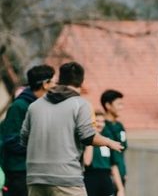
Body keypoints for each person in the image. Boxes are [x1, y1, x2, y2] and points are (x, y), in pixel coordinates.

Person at [20, 61, 123, 196]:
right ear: (81, 81)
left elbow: (24, 138)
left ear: (59, 79)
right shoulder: (80, 105)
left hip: (35, 178)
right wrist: (109, 142)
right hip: (66, 179)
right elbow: (88, 136)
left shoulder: (35, 105)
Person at [0, 64, 56, 196]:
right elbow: (10, 140)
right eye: (53, 81)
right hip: (19, 171)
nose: (55, 85)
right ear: (45, 84)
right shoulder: (19, 106)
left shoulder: (43, 106)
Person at [83, 110, 125, 196]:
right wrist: (91, 137)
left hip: (106, 178)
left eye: (102, 122)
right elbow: (87, 162)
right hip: (90, 178)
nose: (100, 124)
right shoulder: (84, 140)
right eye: (97, 121)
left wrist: (121, 189)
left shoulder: (107, 140)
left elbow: (113, 165)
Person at [100, 90, 127, 191]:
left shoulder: (120, 126)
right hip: (107, 176)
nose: (121, 108)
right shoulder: (101, 127)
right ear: (108, 105)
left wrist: (124, 172)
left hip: (121, 174)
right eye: (118, 104)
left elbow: (122, 151)